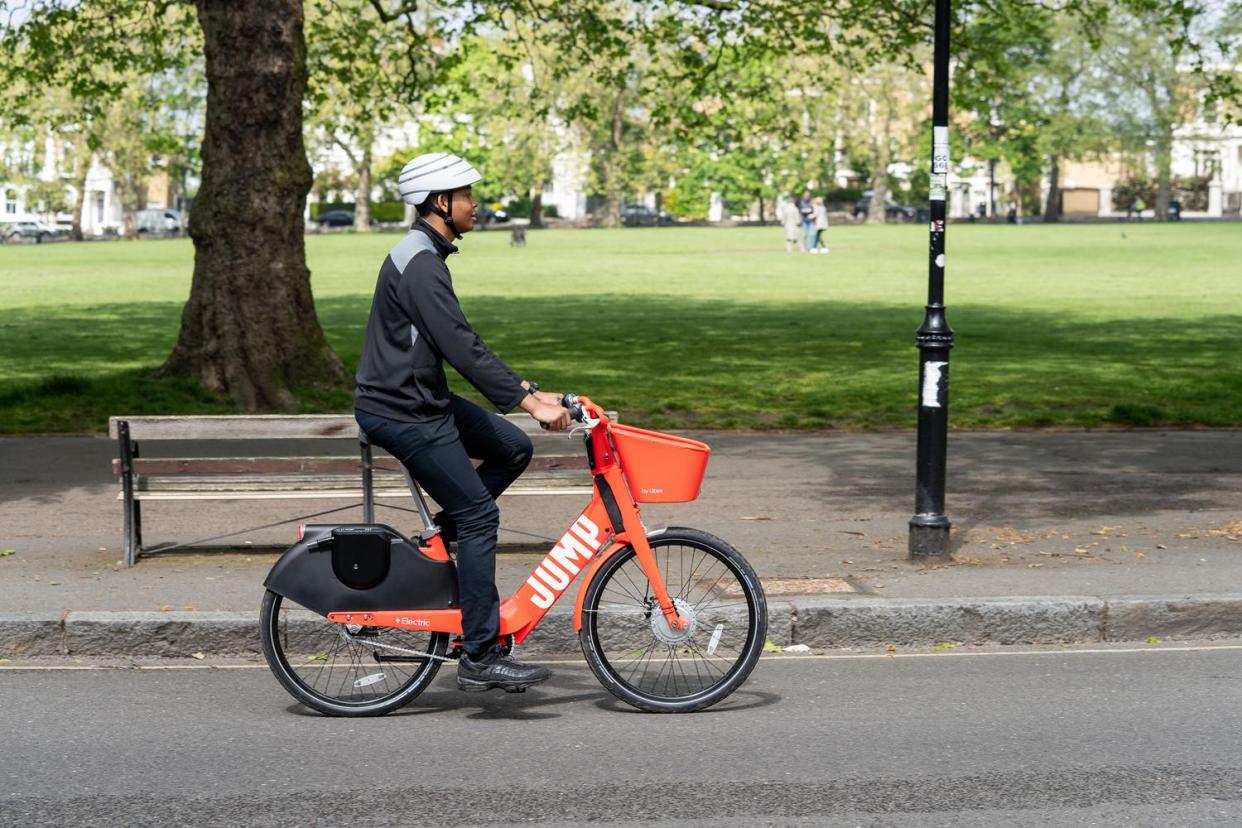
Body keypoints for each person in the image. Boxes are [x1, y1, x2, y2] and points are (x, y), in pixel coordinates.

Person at [354, 151, 570, 693]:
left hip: (421, 399)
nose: (477, 204)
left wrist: (531, 393)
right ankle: (479, 653)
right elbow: (462, 347)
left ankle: (434, 547)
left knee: (510, 449)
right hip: (401, 411)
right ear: (440, 202)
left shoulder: (425, 253)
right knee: (479, 518)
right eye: (468, 195)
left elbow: (460, 345)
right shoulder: (422, 264)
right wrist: (531, 402)